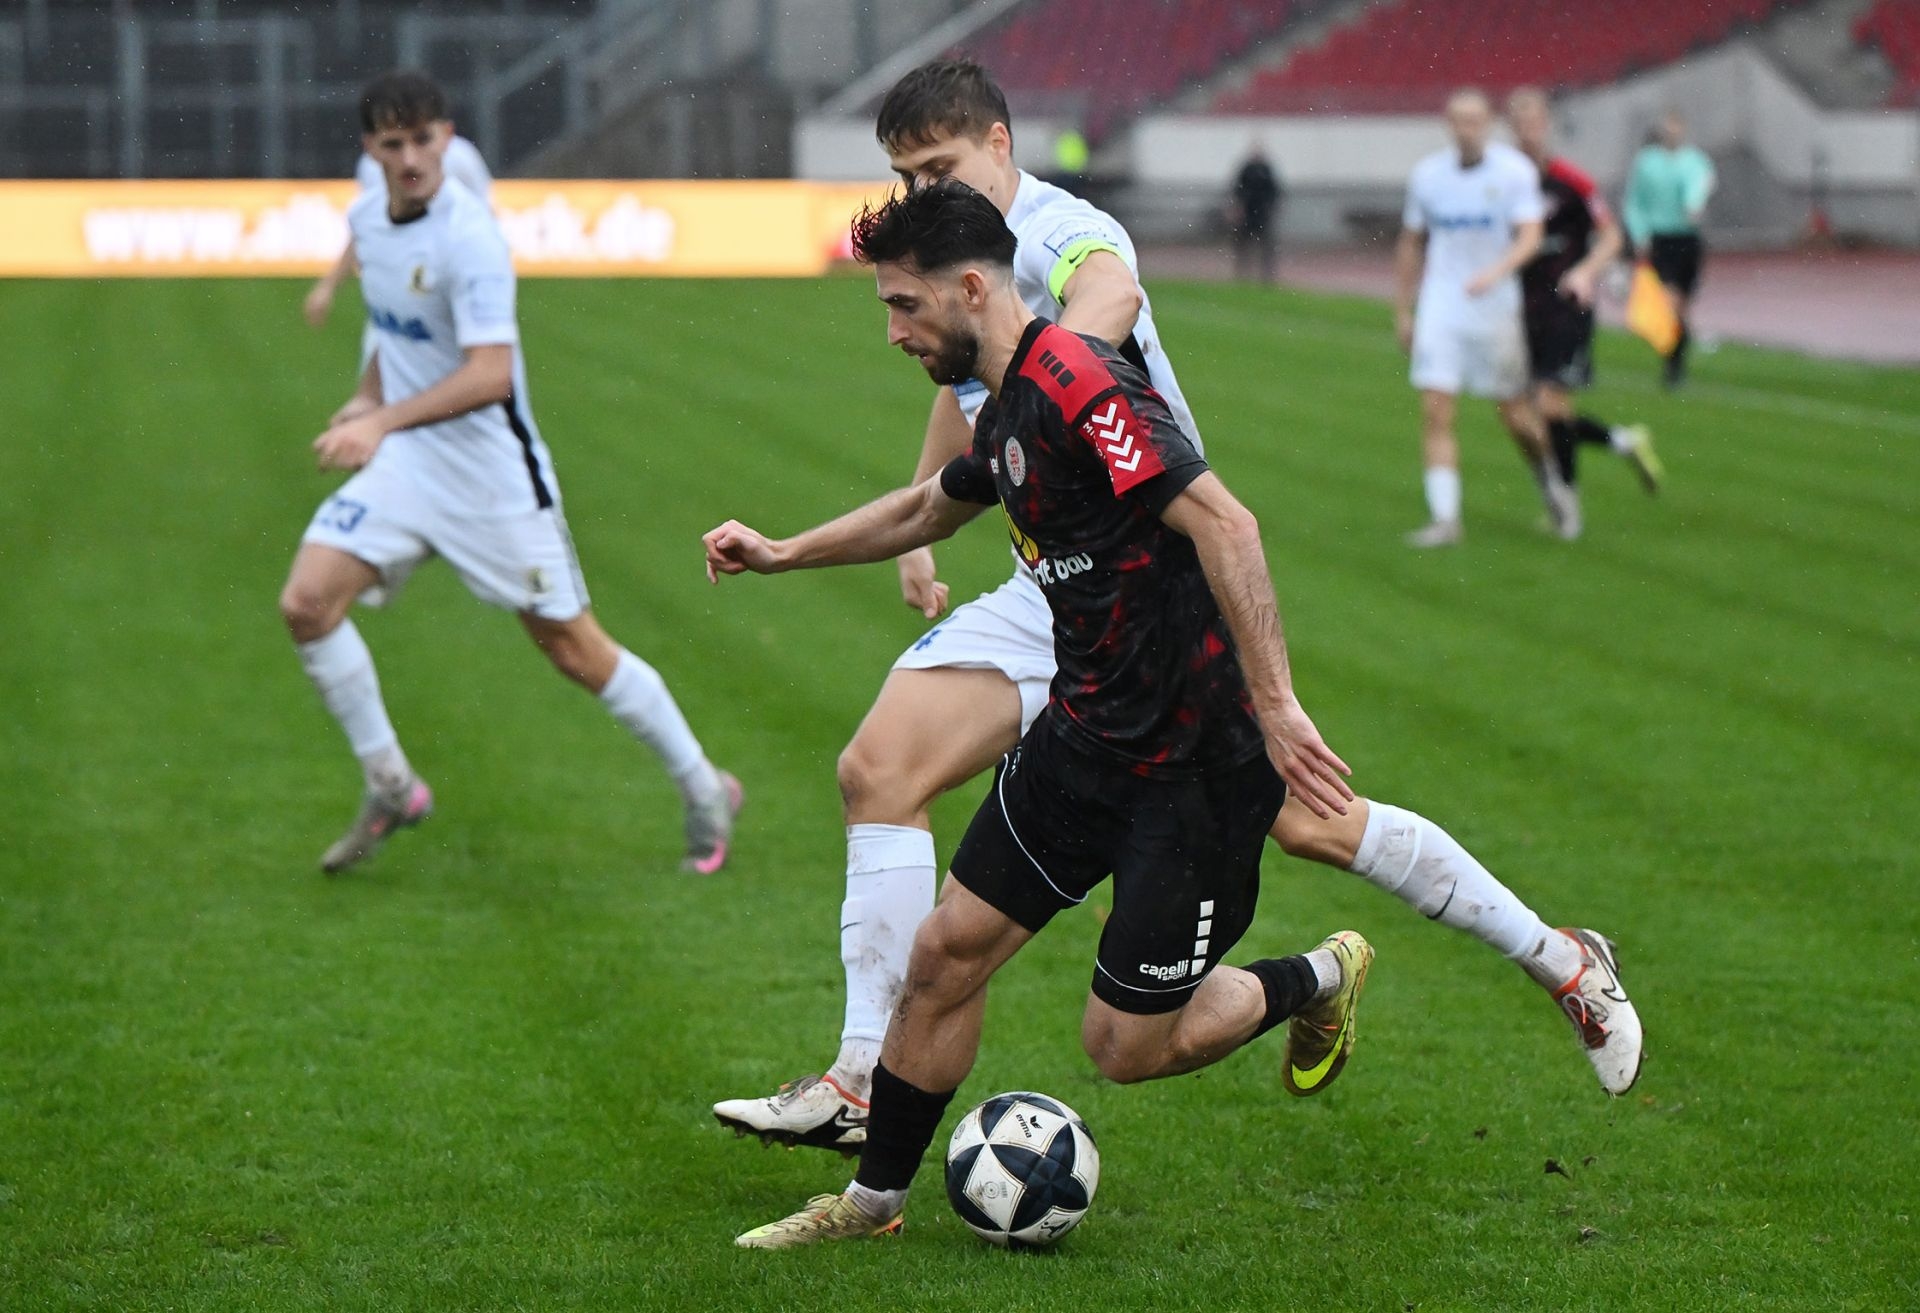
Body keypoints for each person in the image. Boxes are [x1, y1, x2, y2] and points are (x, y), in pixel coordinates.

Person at [709, 62, 1642, 1159]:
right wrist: (893, 529)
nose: (923, 193)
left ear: (1000, 145)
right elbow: (970, 408)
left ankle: (1558, 957)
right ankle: (866, 1076)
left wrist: (1056, 383)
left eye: (939, 168)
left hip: (1157, 584)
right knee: (878, 769)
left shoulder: (1061, 230)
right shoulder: (956, 268)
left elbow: (1108, 296)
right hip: (1053, 584)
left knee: (1308, 816)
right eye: (906, 177)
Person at [709, 179, 1375, 1248]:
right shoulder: (1009, 401)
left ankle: (1317, 976)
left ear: (973, 288)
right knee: (944, 954)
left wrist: (1279, 705)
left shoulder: (1080, 384)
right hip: (1083, 738)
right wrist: (784, 551)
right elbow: (929, 506)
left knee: (1124, 1046)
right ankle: (869, 1206)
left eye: (905, 305)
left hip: (1194, 770)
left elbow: (1227, 524)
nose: (894, 332)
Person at [279, 70, 740, 876]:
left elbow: (490, 374)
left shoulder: (470, 237)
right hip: (410, 463)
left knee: (573, 649)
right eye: (394, 144)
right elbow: (394, 332)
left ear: (448, 138)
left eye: (424, 140)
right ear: (371, 150)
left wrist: (380, 422)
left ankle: (705, 787)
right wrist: (366, 400)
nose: (411, 158)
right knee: (307, 604)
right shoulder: (369, 221)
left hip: (491, 476)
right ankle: (391, 784)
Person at [1394, 88, 1575, 546]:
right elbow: (1412, 241)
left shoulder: (1513, 172)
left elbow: (1531, 236)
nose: (1466, 129)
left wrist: (1496, 272)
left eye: (1474, 120)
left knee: (1514, 414)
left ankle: (1551, 480)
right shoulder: (1428, 175)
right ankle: (1445, 520)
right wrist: (1403, 309)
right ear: (1448, 124)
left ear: (1489, 123)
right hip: (1442, 305)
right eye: (1458, 120)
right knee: (1436, 409)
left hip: (1495, 309)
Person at [1506, 88, 1663, 495]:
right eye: (1520, 125)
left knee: (1550, 403)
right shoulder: (1503, 184)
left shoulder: (1572, 181)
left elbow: (1611, 236)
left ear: (1547, 125)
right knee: (1529, 413)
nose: (1528, 132)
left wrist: (1585, 271)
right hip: (1521, 307)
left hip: (1566, 305)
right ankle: (1623, 441)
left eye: (1534, 123)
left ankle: (1566, 502)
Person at [304, 128, 494, 335]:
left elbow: (484, 216)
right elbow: (365, 230)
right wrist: (328, 286)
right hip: (389, 294)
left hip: (440, 285)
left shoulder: (460, 156)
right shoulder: (370, 165)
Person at [1624, 109, 1715, 387]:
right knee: (1669, 300)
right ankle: (1673, 363)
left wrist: (1693, 204)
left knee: (1683, 305)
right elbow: (1635, 201)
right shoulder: (1647, 162)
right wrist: (1640, 234)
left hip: (1687, 238)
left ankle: (1676, 359)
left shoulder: (1694, 160)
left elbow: (1700, 185)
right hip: (1661, 238)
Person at [1229, 142, 1283, 284]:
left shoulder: (1267, 170)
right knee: (1243, 244)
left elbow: (1274, 191)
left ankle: (1267, 275)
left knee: (1266, 245)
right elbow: (1237, 190)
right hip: (1247, 212)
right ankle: (1242, 274)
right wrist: (1238, 208)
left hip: (1262, 213)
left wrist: (1272, 207)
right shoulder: (1246, 169)